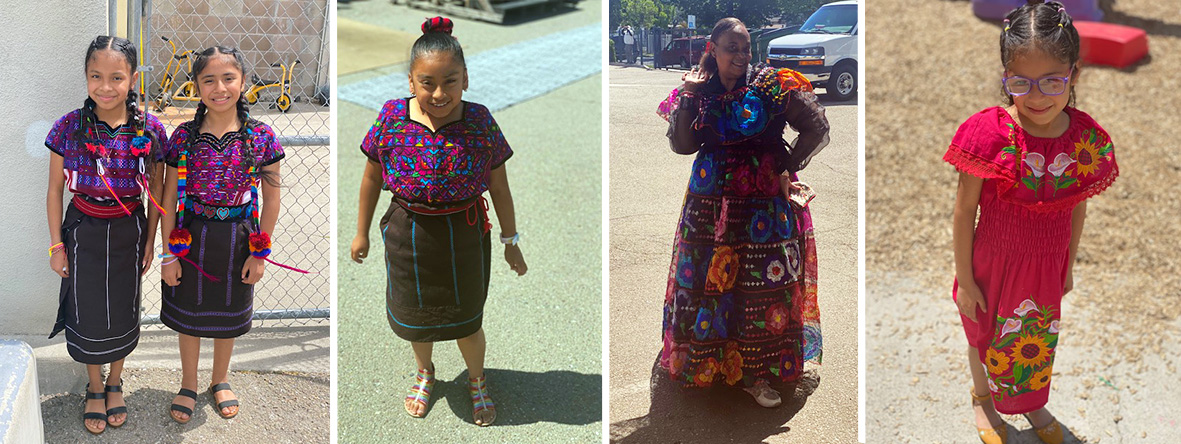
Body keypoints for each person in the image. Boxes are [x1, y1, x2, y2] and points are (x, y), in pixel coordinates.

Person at [943, 2, 1118, 443]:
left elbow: (1078, 207)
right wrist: (965, 280)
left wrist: (1069, 266)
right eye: (1021, 82)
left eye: (1052, 82)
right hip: (992, 261)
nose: (1037, 96)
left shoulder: (1085, 141)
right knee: (983, 333)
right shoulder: (988, 135)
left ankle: (1032, 403)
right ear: (1006, 77)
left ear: (1074, 75)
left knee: (1035, 338)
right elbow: (965, 211)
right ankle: (983, 398)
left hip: (1046, 264)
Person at [350, 16, 527, 427]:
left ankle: (477, 379)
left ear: (465, 78)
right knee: (415, 318)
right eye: (427, 82)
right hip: (406, 231)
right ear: (410, 81)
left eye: (450, 80)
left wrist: (510, 240)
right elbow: (372, 176)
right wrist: (361, 232)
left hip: (464, 233)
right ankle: (425, 372)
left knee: (467, 317)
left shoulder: (480, 121)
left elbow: (499, 188)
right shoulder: (392, 117)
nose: (439, 92)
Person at [655, 17, 828, 408]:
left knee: (761, 285)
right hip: (709, 204)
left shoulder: (770, 84)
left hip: (763, 205)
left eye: (746, 47)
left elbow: (816, 127)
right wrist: (688, 94)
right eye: (731, 47)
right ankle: (710, 363)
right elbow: (684, 145)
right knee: (707, 280)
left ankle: (757, 373)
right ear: (712, 50)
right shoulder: (699, 89)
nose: (741, 55)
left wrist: (786, 168)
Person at [45, 35, 167, 435]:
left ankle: (115, 380)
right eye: (96, 76)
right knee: (87, 307)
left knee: (123, 305)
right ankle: (94, 386)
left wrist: (150, 241)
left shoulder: (149, 129)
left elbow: (158, 190)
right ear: (85, 77)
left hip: (129, 228)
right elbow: (53, 190)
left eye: (117, 77)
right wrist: (57, 245)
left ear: (132, 79)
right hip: (83, 229)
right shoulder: (69, 127)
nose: (106, 86)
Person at [159, 46, 286, 424]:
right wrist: (169, 254)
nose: (220, 88)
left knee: (227, 313)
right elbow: (167, 197)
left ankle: (220, 379)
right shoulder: (183, 136)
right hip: (191, 236)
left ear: (243, 82)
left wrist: (259, 253)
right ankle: (187, 383)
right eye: (208, 80)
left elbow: (273, 199)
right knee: (190, 314)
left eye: (228, 78)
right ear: (197, 86)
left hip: (239, 239)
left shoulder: (262, 137)